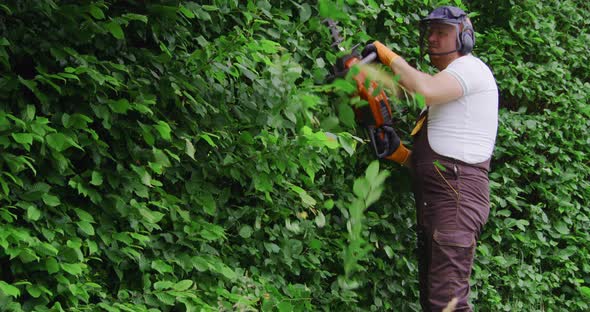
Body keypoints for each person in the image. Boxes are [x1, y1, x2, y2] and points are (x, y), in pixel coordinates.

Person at [362, 6, 498, 311]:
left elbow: (423, 88)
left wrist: (388, 56)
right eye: (430, 32)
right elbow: (443, 157)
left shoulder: (469, 68)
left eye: (442, 32)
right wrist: (402, 155)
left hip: (456, 198)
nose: (433, 39)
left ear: (464, 36)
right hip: (444, 197)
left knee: (448, 303)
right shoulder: (450, 83)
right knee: (436, 301)